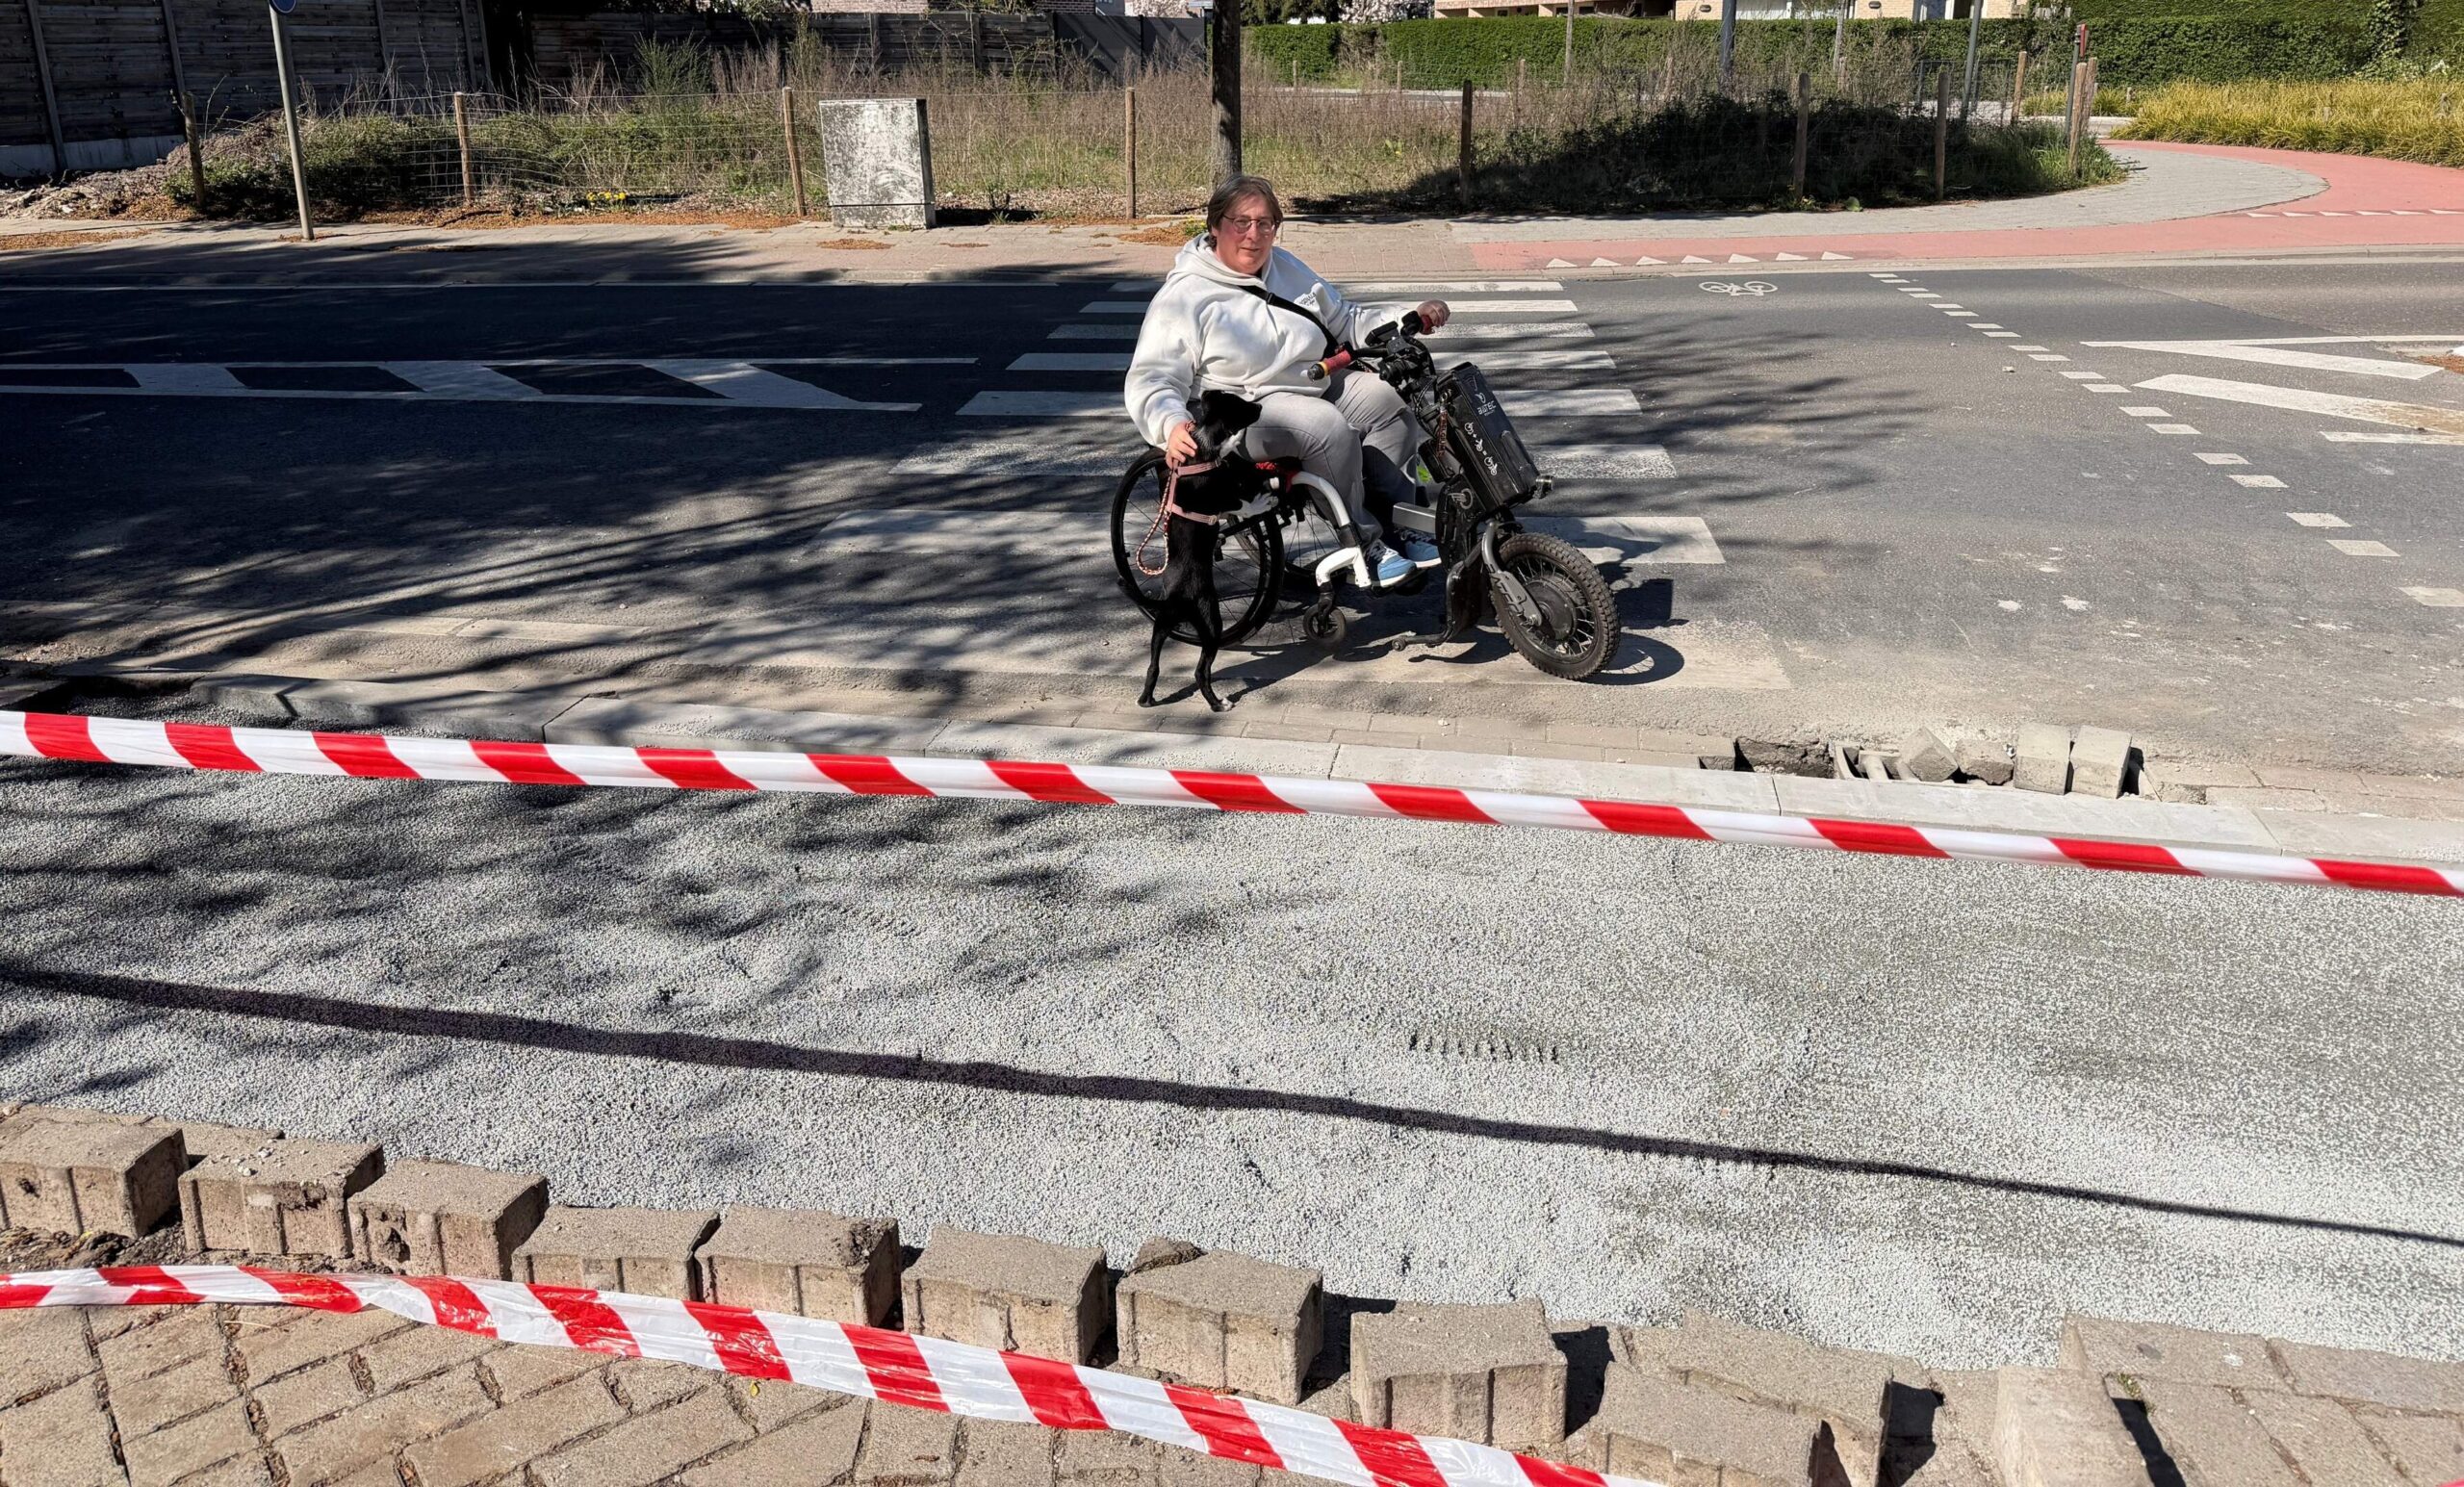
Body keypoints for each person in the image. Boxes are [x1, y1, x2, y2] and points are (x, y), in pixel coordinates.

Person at [1123, 174, 1450, 587]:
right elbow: (1153, 376)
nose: (1254, 235)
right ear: (1214, 226)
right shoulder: (1186, 297)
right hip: (1246, 407)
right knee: (1326, 427)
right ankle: (1364, 542)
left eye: (1265, 223)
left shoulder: (1287, 267)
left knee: (1386, 402)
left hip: (1315, 380)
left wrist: (1408, 316)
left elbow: (1345, 319)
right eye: (1240, 222)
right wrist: (1169, 423)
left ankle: (1405, 525)